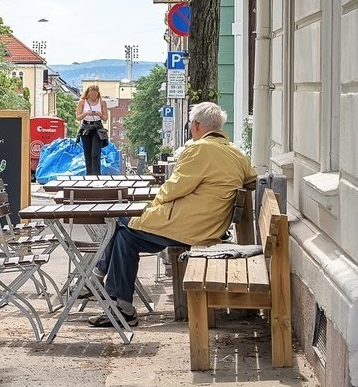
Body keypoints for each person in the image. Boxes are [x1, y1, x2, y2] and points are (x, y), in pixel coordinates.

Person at [87, 102, 256, 327]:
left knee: (119, 222)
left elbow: (174, 188)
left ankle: (101, 281)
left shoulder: (199, 149)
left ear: (196, 126)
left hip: (188, 227)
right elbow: (251, 180)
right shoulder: (237, 153)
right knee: (124, 236)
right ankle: (118, 302)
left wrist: (151, 206)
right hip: (209, 225)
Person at [76, 84, 111, 176]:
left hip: (97, 128)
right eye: (91, 94)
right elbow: (78, 117)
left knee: (95, 153)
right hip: (86, 128)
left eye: (95, 95)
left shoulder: (102, 102)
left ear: (98, 94)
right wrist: (86, 114)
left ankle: (96, 174)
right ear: (88, 94)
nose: (93, 97)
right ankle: (89, 174)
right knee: (87, 153)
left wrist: (99, 114)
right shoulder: (82, 102)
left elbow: (105, 118)